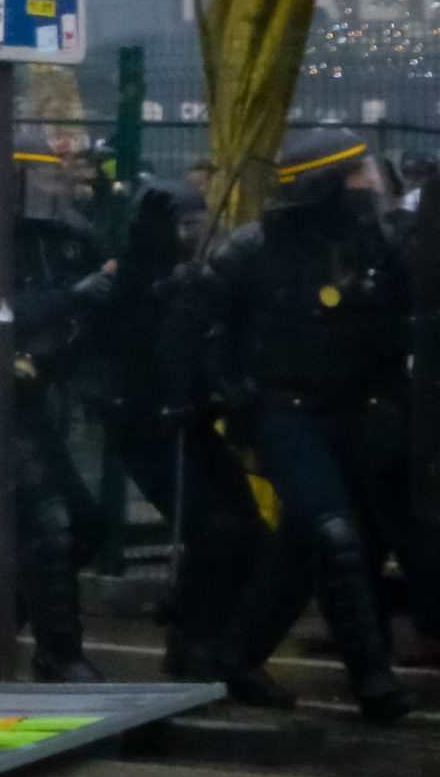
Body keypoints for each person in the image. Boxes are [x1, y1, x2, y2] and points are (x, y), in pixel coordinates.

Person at [184, 128, 432, 721]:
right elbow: (200, 321)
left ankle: (235, 655)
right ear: (324, 185)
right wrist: (228, 391)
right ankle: (373, 680)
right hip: (284, 413)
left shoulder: (374, 245)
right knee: (335, 535)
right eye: (357, 174)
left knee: (303, 548)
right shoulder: (254, 248)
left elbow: (405, 320)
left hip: (351, 413)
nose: (371, 184)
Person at [75, 183, 290, 706]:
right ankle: (191, 638)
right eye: (181, 225)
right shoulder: (129, 282)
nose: (191, 234)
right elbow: (119, 328)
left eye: (197, 223)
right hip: (146, 426)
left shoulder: (204, 279)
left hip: (191, 419)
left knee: (251, 532)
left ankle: (220, 638)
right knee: (212, 527)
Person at [3, 138, 111, 682]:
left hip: (40, 396)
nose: (52, 189)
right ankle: (59, 652)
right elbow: (0, 311)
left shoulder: (68, 238)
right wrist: (76, 297)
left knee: (85, 524)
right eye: (40, 178)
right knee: (48, 523)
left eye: (56, 178)